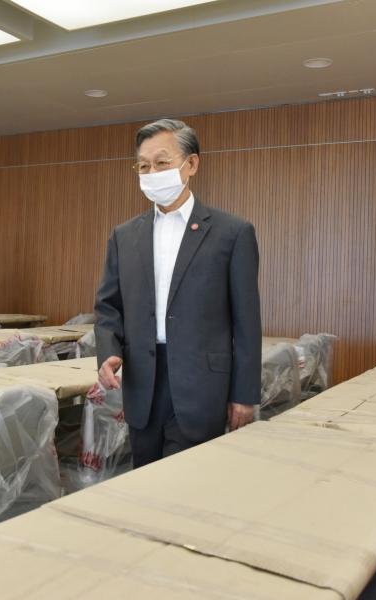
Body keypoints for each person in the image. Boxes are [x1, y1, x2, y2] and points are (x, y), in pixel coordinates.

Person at [94, 118, 262, 468]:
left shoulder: (232, 233)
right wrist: (109, 351)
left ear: (191, 164)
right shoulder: (124, 236)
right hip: (143, 382)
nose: (152, 173)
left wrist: (244, 395)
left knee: (187, 483)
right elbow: (109, 306)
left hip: (202, 386)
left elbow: (246, 323)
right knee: (142, 480)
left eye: (161, 162)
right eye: (143, 166)